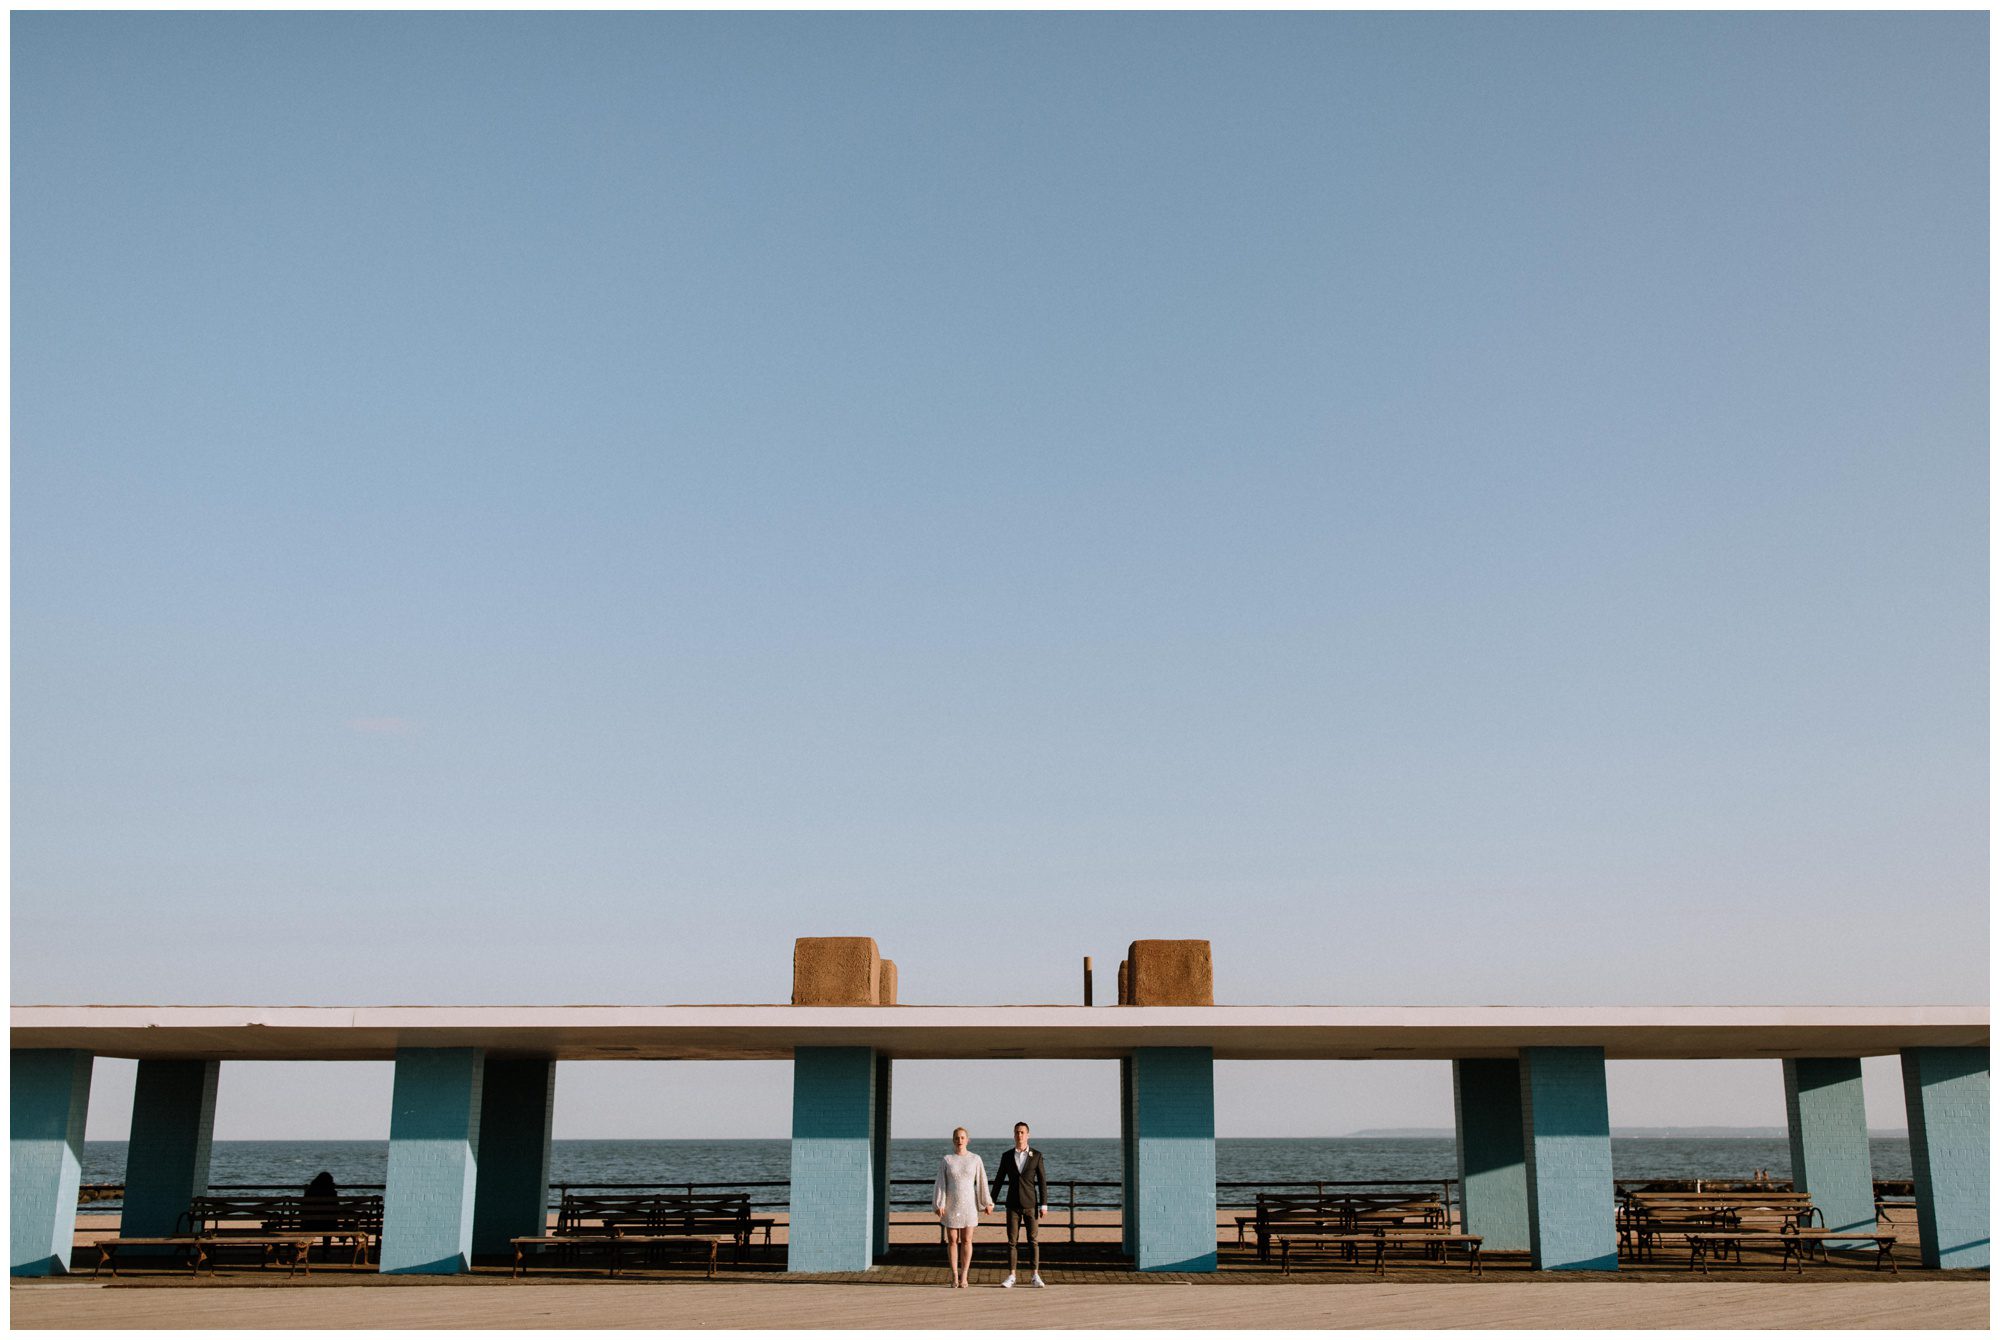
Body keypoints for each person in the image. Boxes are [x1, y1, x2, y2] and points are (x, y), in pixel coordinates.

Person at [932, 1126, 993, 1288]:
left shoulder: (975, 1159)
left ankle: (964, 1275)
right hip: (951, 1204)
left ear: (968, 1140)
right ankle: (954, 1275)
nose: (960, 1140)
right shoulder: (947, 1160)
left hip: (969, 1204)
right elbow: (941, 1183)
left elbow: (982, 1181)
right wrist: (939, 1203)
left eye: (962, 1137)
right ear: (953, 1140)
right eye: (957, 1138)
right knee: (952, 1240)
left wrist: (986, 1202)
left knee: (967, 1239)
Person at [989, 1120, 1048, 1288]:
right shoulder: (1007, 1156)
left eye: (1022, 1132)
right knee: (1012, 1241)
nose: (1019, 1135)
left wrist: (1044, 1204)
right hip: (1012, 1205)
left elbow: (1042, 1181)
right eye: (1017, 1132)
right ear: (1014, 1135)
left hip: (1031, 1204)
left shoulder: (1036, 1155)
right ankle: (1012, 1275)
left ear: (1028, 1135)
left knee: (1033, 1240)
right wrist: (991, 1201)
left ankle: (1035, 1275)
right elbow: (999, 1180)